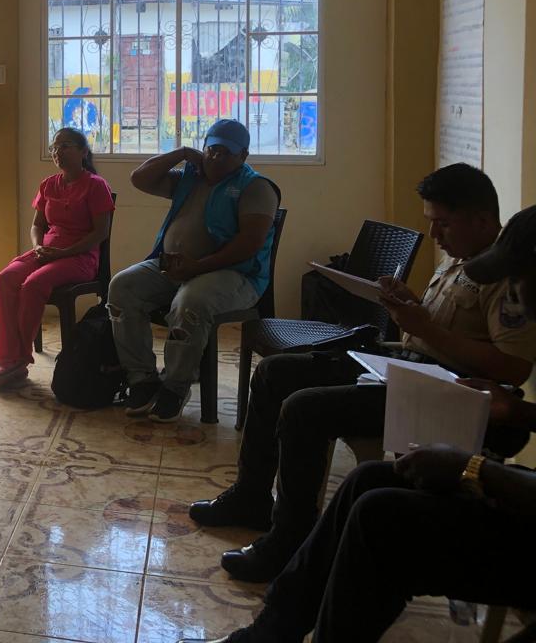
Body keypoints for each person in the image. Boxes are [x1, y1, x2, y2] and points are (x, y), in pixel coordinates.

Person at [179, 205, 536, 643]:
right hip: (417, 372)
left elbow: (511, 365)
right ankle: (271, 622)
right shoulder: (458, 262)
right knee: (364, 478)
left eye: (521, 281)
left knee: (376, 512)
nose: (516, 291)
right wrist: (519, 412)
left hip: (464, 426)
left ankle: (282, 593)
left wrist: (474, 469)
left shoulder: (505, 293)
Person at [108, 118, 279, 423]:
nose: (216, 158)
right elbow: (139, 178)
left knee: (190, 302)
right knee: (122, 287)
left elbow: (249, 244)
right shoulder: (190, 178)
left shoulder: (256, 187)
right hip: (174, 267)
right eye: (211, 150)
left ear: (243, 156)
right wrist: (182, 153)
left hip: (235, 275)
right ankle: (142, 379)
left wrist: (197, 267)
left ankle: (175, 386)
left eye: (226, 153)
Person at [0, 127, 114, 389]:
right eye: (54, 147)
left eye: (65, 146)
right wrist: (37, 246)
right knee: (6, 278)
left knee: (34, 284)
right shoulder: (48, 184)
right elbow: (37, 225)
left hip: (79, 257)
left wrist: (66, 252)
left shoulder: (96, 185)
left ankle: (19, 361)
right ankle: (7, 358)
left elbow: (100, 233)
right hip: (46, 251)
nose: (58, 152)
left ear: (83, 151)